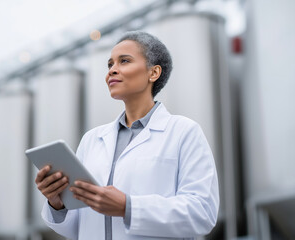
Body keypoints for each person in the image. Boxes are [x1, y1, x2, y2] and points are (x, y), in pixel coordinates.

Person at [35, 31, 219, 240]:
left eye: (124, 61)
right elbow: (79, 227)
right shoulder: (92, 140)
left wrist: (128, 207)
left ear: (153, 73)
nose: (112, 70)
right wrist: (57, 203)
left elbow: (202, 213)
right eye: (110, 64)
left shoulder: (183, 132)